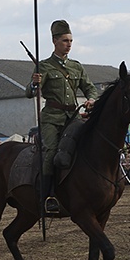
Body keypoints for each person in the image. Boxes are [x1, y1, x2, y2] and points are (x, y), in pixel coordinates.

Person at [25, 20, 98, 213]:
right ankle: (48, 195)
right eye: (65, 40)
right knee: (51, 151)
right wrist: (34, 83)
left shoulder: (76, 66)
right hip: (52, 118)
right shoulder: (44, 66)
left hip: (72, 117)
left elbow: (90, 87)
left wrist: (91, 99)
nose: (69, 44)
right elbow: (30, 93)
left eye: (71, 40)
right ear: (55, 41)